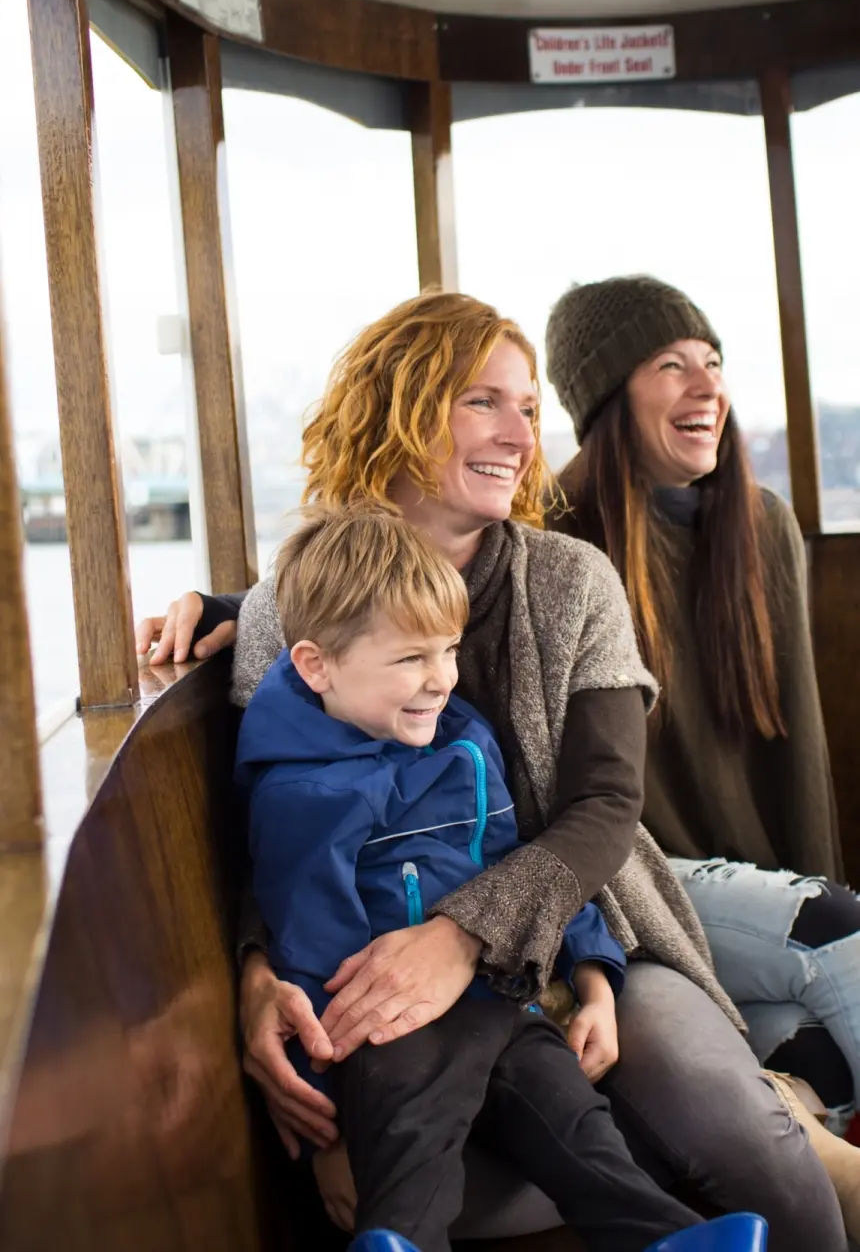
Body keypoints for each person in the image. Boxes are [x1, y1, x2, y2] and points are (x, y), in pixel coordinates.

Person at [135, 290, 847, 1252]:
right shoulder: (283, 606)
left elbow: (602, 806)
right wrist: (258, 976)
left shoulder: (569, 580)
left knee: (749, 1141)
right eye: (484, 402)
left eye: (526, 406)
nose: (521, 433)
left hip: (597, 927)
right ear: (401, 410)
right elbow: (279, 830)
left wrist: (482, 941)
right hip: (374, 968)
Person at [235, 504, 711, 1252]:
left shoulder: (462, 741)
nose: (439, 680)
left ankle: (669, 1239)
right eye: (409, 660)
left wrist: (593, 971)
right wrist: (327, 1139)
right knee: (414, 1142)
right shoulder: (304, 794)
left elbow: (518, 865)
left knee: (578, 1126)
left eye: (448, 651)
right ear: (315, 665)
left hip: (498, 1002)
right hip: (387, 1033)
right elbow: (307, 953)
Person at [544, 274, 860, 1139]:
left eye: (714, 362)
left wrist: (816, 882)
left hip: (758, 902)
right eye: (671, 363)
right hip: (640, 887)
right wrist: (234, 614)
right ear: (609, 396)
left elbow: (798, 759)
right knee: (845, 936)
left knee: (817, 1071)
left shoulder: (759, 525)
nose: (707, 385)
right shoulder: (550, 539)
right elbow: (397, 574)